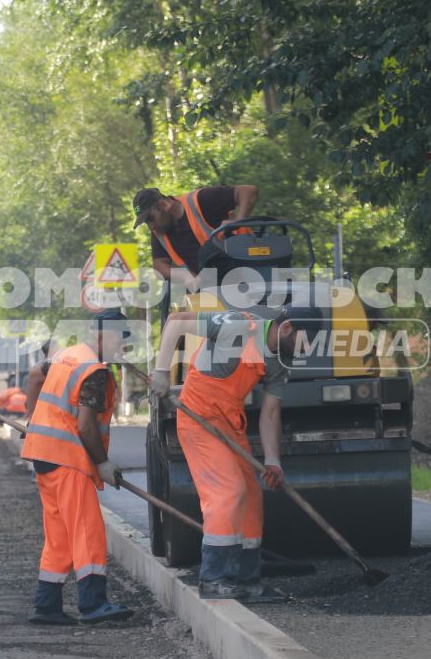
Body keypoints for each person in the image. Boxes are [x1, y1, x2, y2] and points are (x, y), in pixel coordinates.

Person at [152, 306, 296, 601]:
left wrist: (272, 461)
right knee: (228, 491)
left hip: (230, 424)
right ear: (286, 328)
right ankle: (214, 578)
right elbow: (177, 321)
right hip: (198, 417)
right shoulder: (237, 325)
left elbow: (270, 413)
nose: (305, 350)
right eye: (304, 341)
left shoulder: (281, 360)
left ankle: (246, 579)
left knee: (252, 496)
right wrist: (162, 371)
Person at [18, 320, 131, 625]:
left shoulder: (67, 355)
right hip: (67, 458)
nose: (123, 349)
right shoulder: (93, 371)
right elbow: (85, 425)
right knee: (85, 530)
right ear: (102, 335)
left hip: (43, 456)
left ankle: (47, 605)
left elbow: (33, 376)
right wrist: (103, 463)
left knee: (60, 536)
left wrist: (31, 420)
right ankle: (93, 604)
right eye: (121, 341)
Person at [133, 184, 258, 289]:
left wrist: (240, 219)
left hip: (252, 271)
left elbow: (248, 191)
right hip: (215, 290)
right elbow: (159, 266)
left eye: (150, 219)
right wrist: (184, 275)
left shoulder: (201, 201)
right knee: (177, 318)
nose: (150, 227)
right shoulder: (159, 230)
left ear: (163, 205)